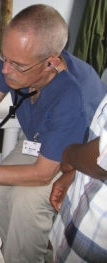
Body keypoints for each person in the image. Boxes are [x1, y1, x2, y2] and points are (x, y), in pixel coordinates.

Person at [0, 4, 106, 263]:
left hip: (77, 159)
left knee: (25, 202)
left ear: (51, 61)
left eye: (16, 65)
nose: (5, 70)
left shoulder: (73, 95)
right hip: (40, 142)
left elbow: (43, 174)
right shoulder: (16, 63)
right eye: (3, 57)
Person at [49, 95, 107, 262]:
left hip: (94, 241)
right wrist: (76, 173)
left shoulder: (69, 93)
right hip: (80, 210)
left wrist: (69, 156)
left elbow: (102, 159)